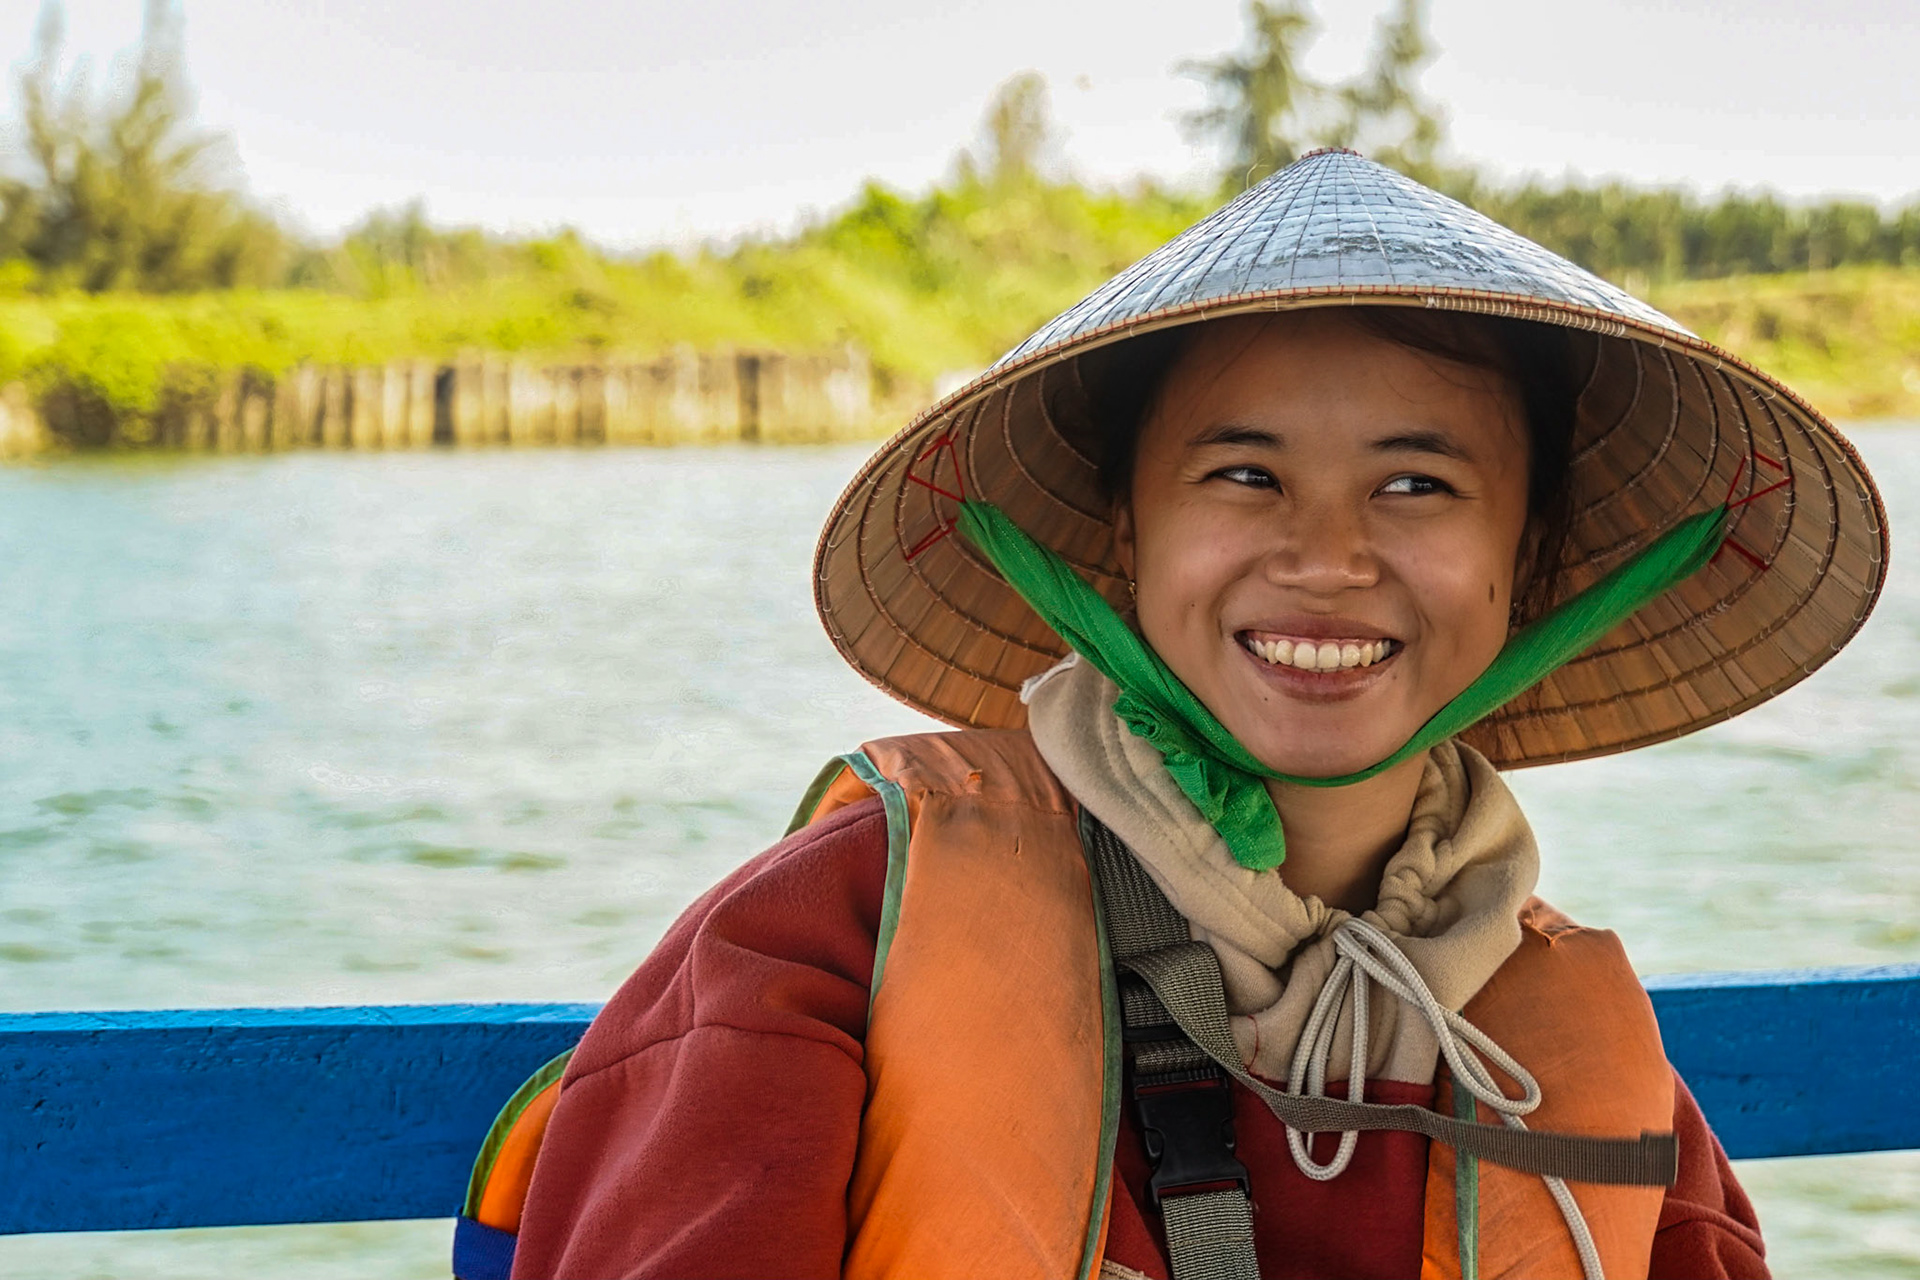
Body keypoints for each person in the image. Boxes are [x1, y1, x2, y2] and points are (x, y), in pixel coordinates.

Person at [507, 151, 1887, 1280]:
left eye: (1416, 487)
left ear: (1528, 566)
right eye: (1243, 474)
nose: (1329, 555)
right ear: (1123, 537)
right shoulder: (838, 931)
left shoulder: (1568, 1053)